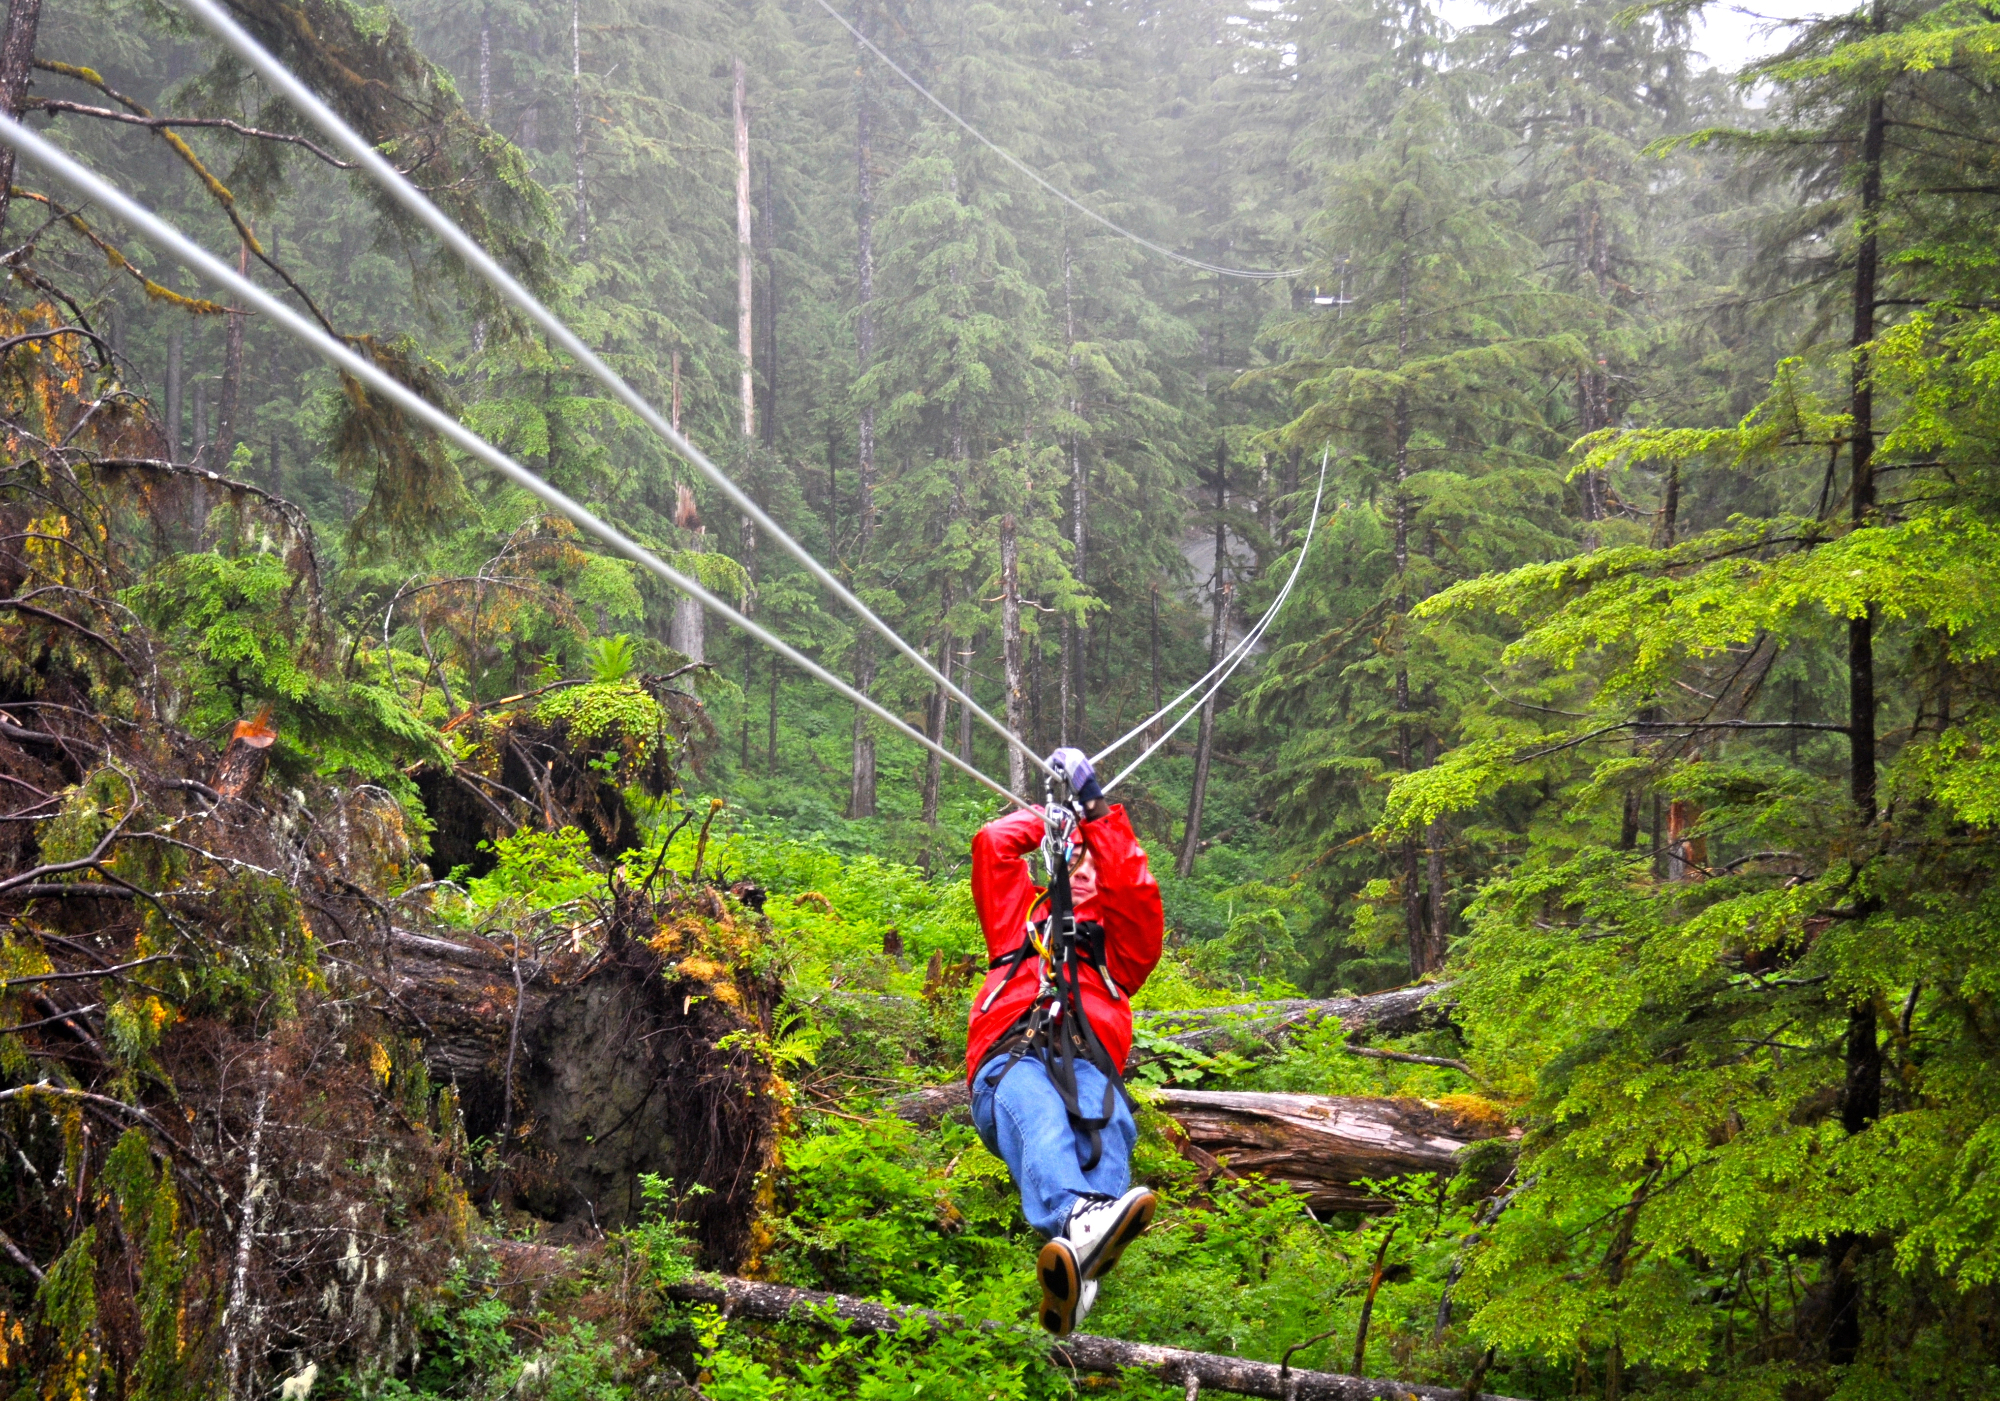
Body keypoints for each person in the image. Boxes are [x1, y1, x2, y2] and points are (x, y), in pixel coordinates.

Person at [967, 745, 1165, 1336]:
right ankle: (1075, 1219)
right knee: (1041, 1113)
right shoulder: (1016, 929)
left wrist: (1099, 812)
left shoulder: (1121, 953)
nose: (1080, 874)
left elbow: (1135, 887)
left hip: (1089, 1068)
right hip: (1012, 1062)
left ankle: (1080, 1273)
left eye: (1089, 870)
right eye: (1072, 864)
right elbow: (993, 844)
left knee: (1111, 1130)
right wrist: (1054, 819)